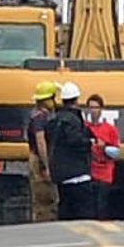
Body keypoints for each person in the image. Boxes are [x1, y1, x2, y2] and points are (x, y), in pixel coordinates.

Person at [47, 81, 97, 220]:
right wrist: (90, 142)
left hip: (61, 175)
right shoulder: (73, 119)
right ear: (76, 100)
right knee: (84, 212)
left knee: (66, 211)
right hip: (77, 173)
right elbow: (74, 140)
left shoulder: (56, 118)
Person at [84, 93, 121, 219]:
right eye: (91, 108)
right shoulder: (84, 128)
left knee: (101, 205)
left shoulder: (110, 129)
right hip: (89, 172)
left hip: (105, 173)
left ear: (101, 109)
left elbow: (117, 152)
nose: (94, 111)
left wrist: (104, 147)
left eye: (96, 107)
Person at [26, 81, 59, 222]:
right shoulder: (41, 118)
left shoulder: (36, 115)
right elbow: (41, 142)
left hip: (37, 159)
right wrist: (46, 165)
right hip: (39, 161)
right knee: (45, 198)